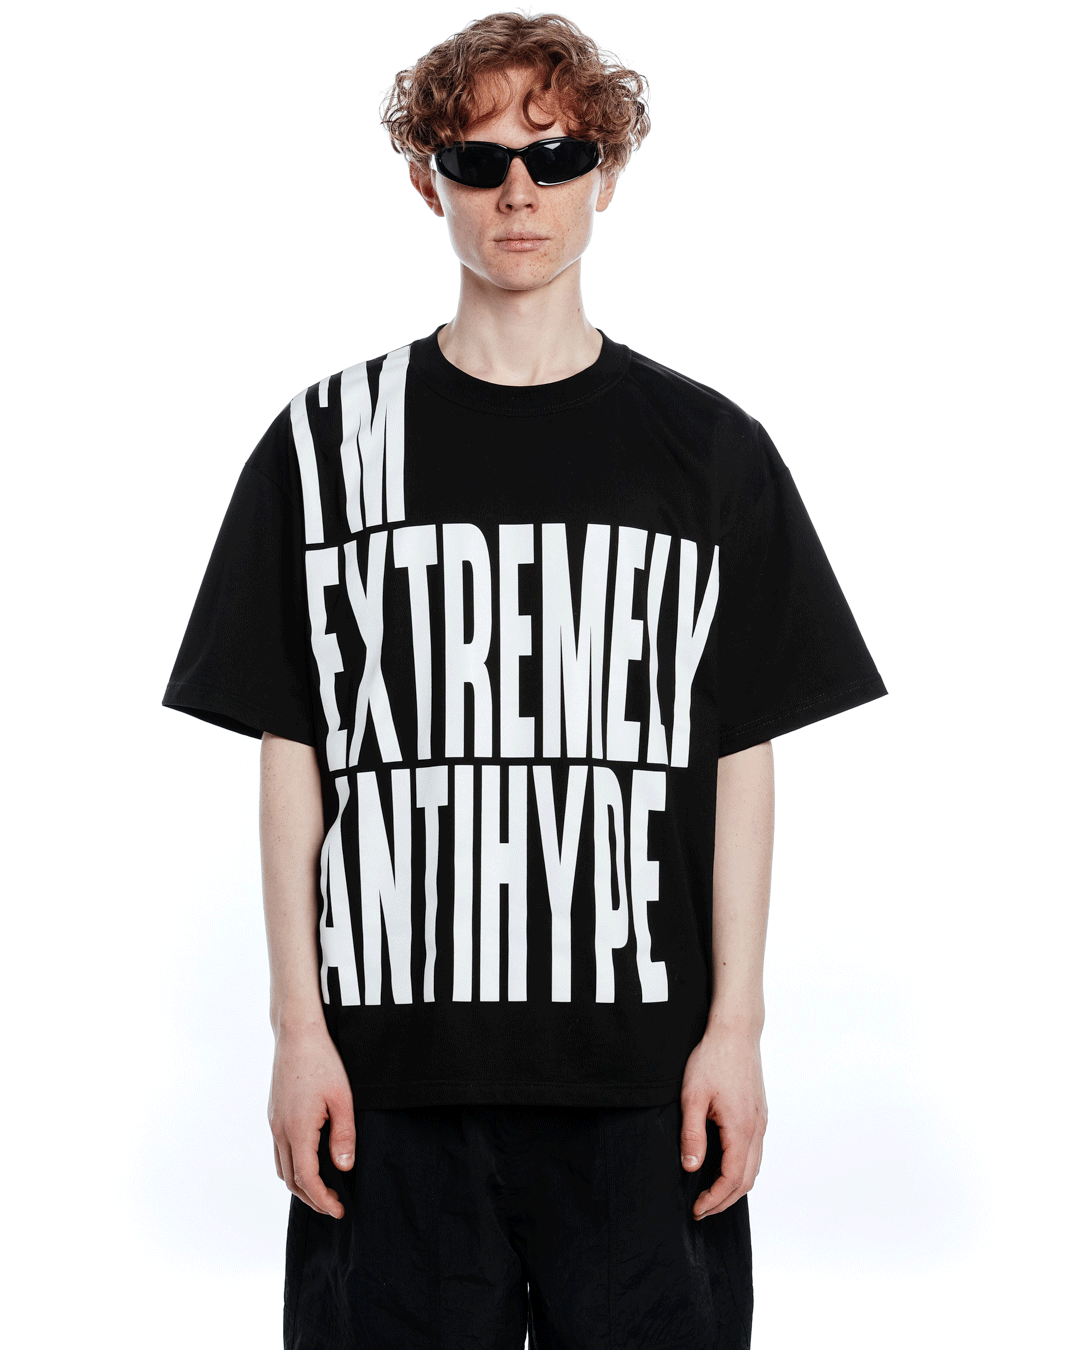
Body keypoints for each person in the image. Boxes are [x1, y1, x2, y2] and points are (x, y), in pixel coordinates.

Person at [162, 12, 887, 1348]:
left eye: (555, 157)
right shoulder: (323, 448)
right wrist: (295, 1031)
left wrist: (738, 1030)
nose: (518, 191)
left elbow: (742, 752)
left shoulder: (707, 453)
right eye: (478, 156)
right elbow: (290, 752)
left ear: (607, 175)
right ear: (423, 177)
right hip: (392, 1079)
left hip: (639, 1082)